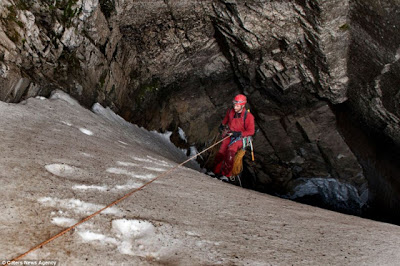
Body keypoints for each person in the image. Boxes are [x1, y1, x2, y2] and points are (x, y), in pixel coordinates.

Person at [212, 94, 255, 181]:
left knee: (230, 152)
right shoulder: (230, 111)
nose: (235, 107)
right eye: (234, 105)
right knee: (221, 151)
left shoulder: (248, 117)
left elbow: (251, 131)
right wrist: (222, 125)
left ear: (242, 105)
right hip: (230, 134)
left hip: (240, 138)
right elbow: (226, 119)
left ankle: (226, 175)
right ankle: (215, 171)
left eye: (237, 105)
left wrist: (239, 133)